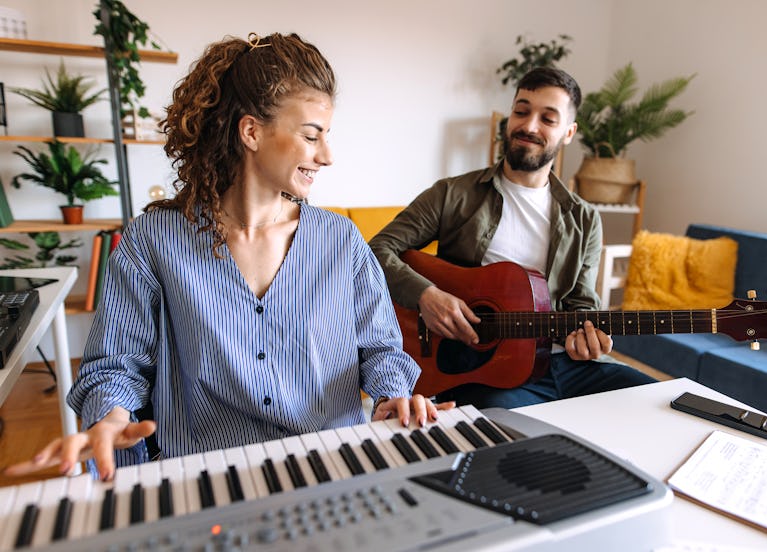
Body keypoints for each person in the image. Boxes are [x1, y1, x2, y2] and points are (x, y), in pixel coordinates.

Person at [5, 31, 450, 482]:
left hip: (328, 469)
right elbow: (116, 364)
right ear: (252, 131)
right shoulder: (153, 242)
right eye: (311, 135)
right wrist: (112, 420)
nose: (327, 155)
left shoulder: (341, 241)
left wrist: (390, 395)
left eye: (327, 136)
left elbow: (380, 349)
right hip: (203, 477)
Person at [369, 66, 655, 410]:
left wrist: (588, 337)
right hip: (485, 372)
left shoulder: (585, 218)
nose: (529, 126)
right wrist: (426, 295)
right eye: (521, 111)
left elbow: (581, 305)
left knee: (656, 401)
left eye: (548, 119)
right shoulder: (452, 194)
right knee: (505, 428)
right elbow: (376, 249)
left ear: (568, 132)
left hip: (567, 365)